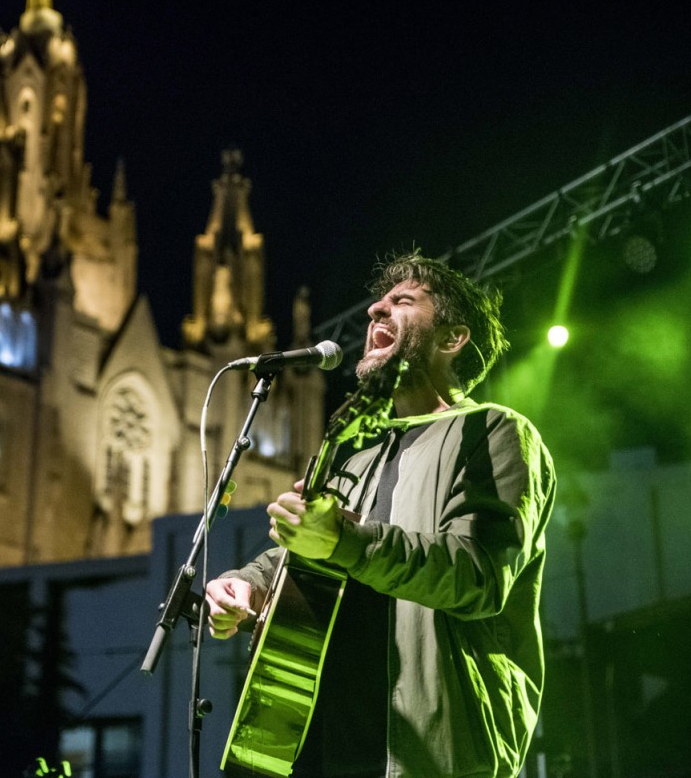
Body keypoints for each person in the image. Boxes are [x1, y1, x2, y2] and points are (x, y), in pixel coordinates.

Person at [206, 252, 556, 777]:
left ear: (452, 338)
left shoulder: (494, 431)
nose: (375, 310)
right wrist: (248, 585)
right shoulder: (355, 458)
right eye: (379, 301)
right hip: (321, 751)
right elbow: (306, 559)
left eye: (403, 301)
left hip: (434, 755)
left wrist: (344, 541)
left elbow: (477, 574)